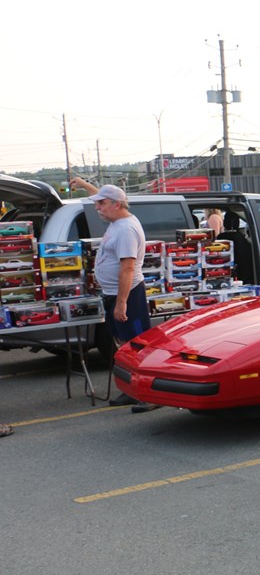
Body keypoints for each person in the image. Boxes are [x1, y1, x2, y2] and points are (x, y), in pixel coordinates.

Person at [72, 176, 159, 414]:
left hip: (129, 295)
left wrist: (122, 303)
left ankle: (149, 394)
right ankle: (131, 390)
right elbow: (103, 194)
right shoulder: (117, 221)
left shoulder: (126, 230)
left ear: (116, 205)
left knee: (139, 345)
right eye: (97, 203)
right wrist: (83, 183)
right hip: (112, 294)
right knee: (124, 346)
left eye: (101, 204)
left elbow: (128, 268)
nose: (97, 208)